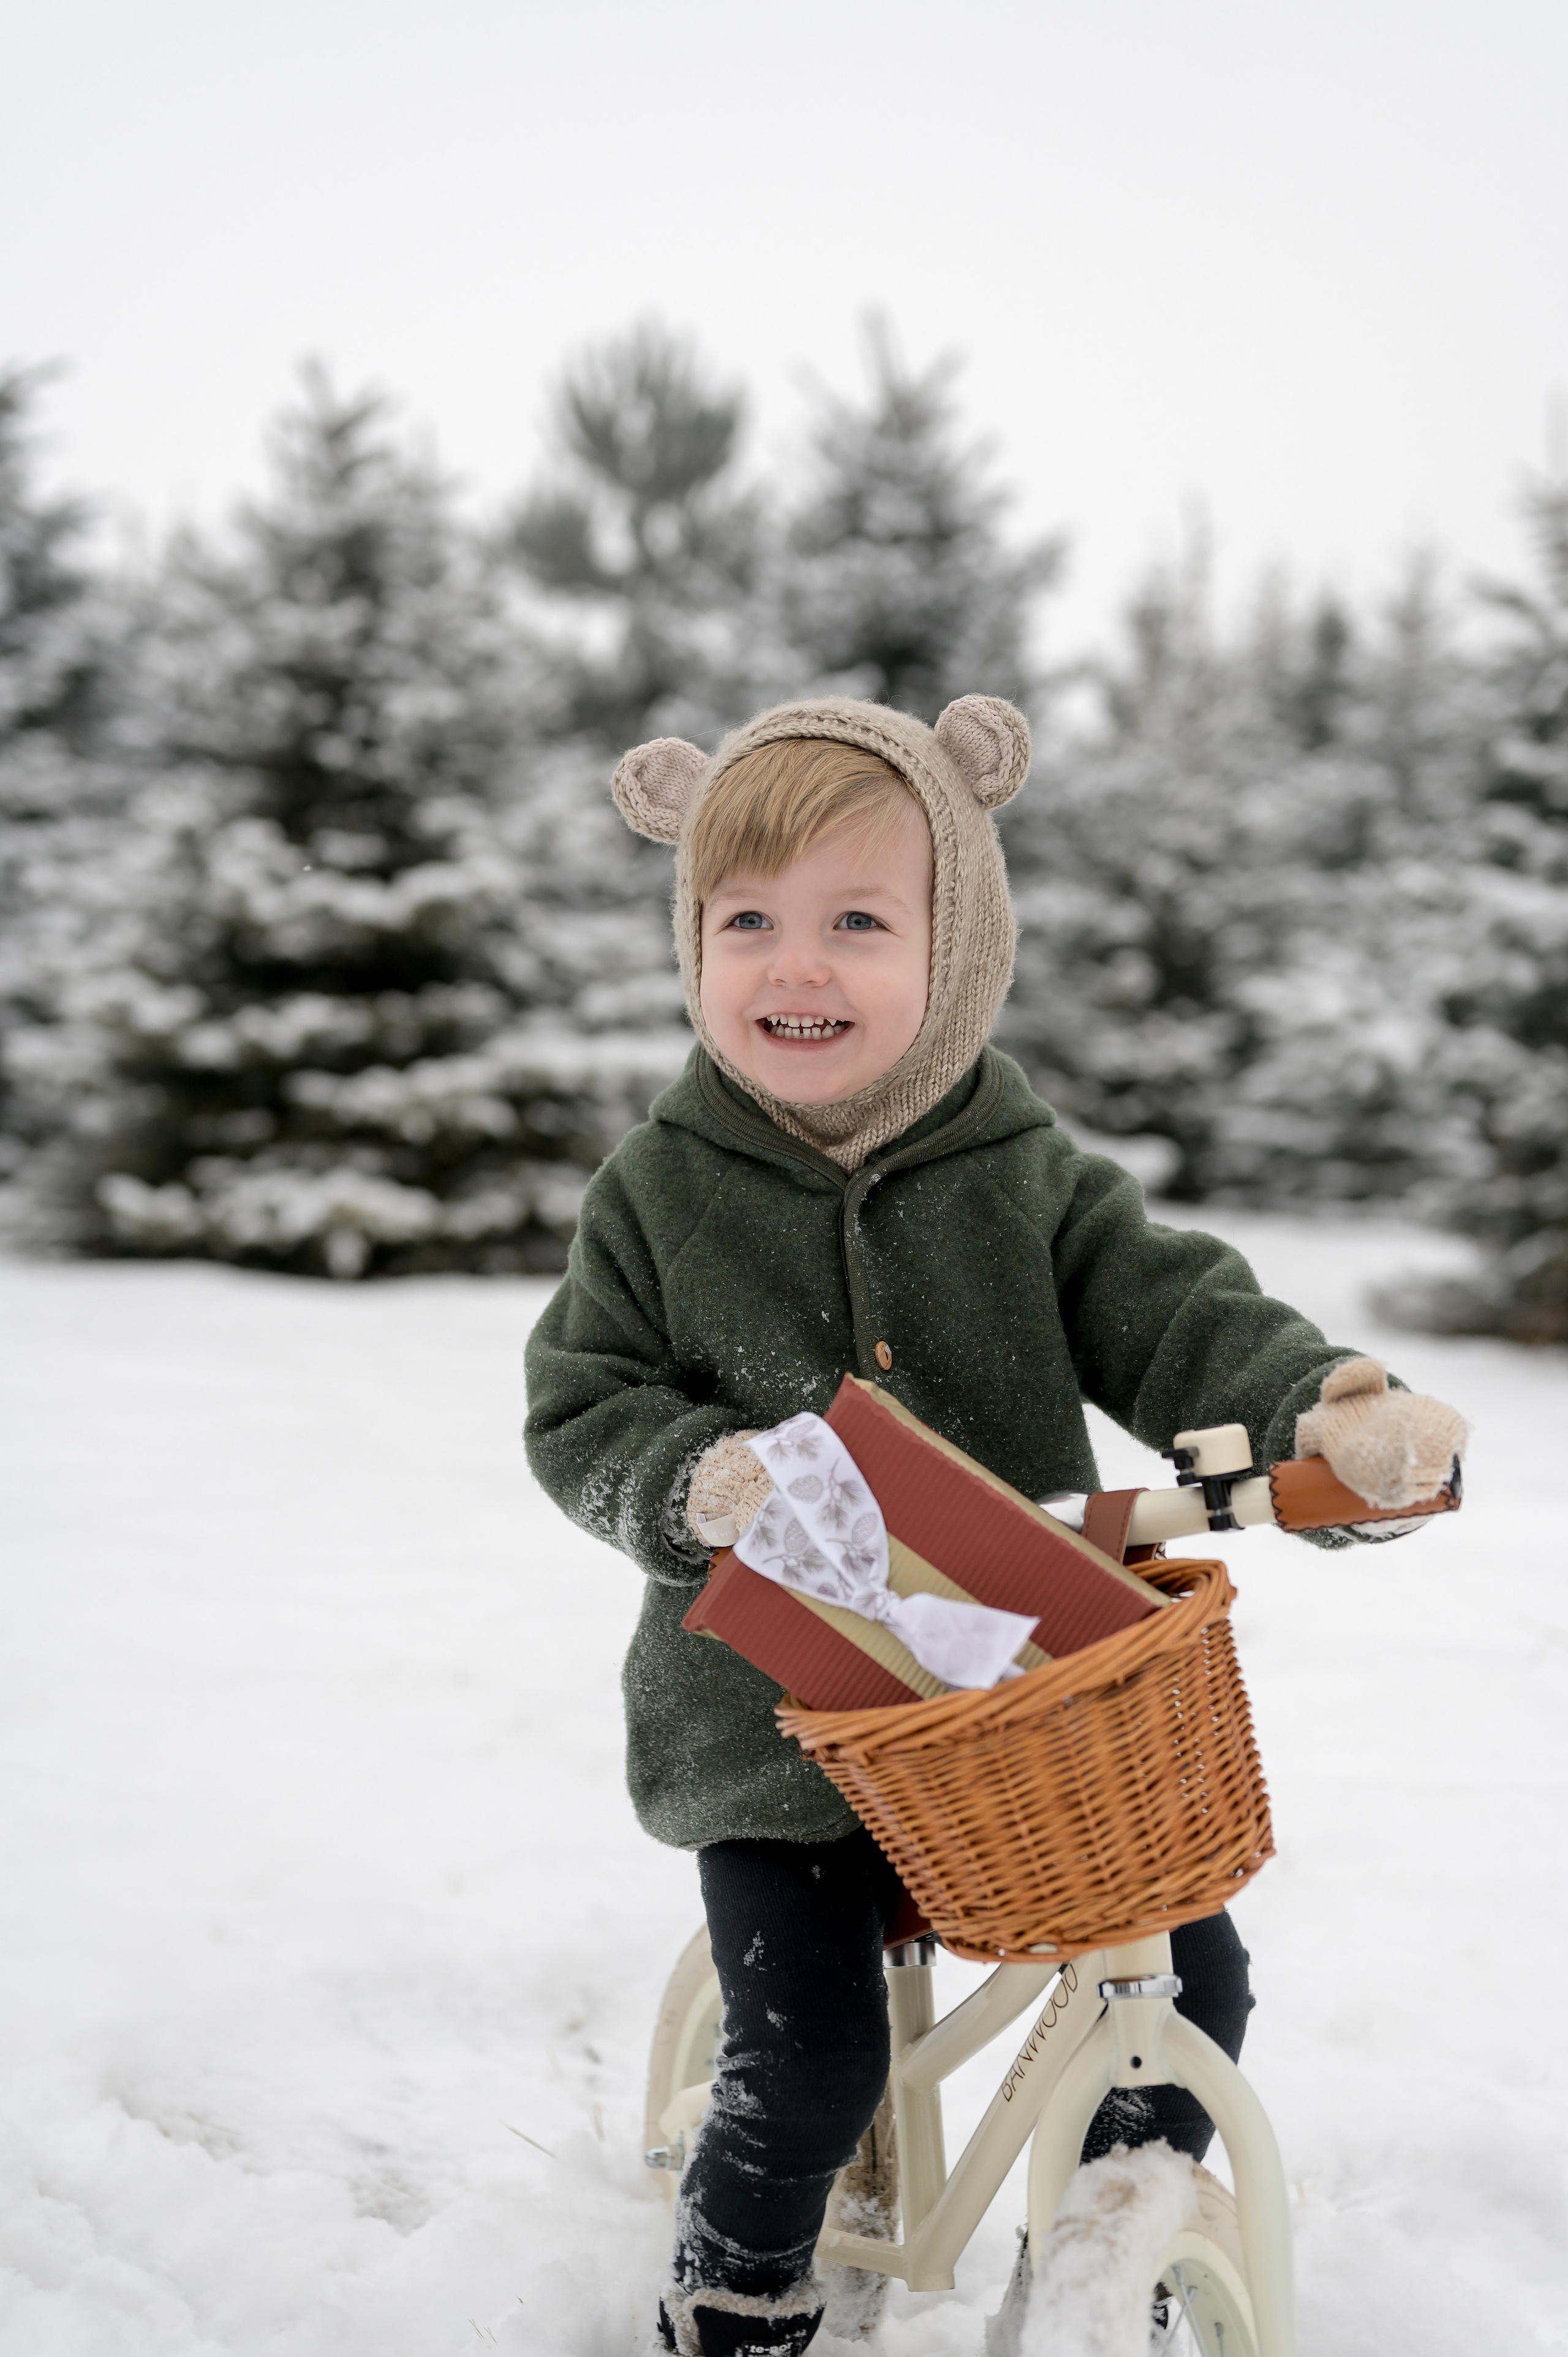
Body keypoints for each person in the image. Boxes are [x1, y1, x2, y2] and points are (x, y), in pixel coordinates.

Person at [523, 695, 1466, 2357]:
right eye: (747, 922)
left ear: (960, 944)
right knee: (811, 2045)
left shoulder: (1025, 1177)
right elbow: (580, 1409)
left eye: (858, 923)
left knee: (1189, 1983)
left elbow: (1180, 1322)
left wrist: (1331, 1418)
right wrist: (700, 1480)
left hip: (1031, 1707)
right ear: (692, 941)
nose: (794, 967)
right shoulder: (657, 1196)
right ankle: (735, 2296)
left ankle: (1112, 2254)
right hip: (776, 1734)